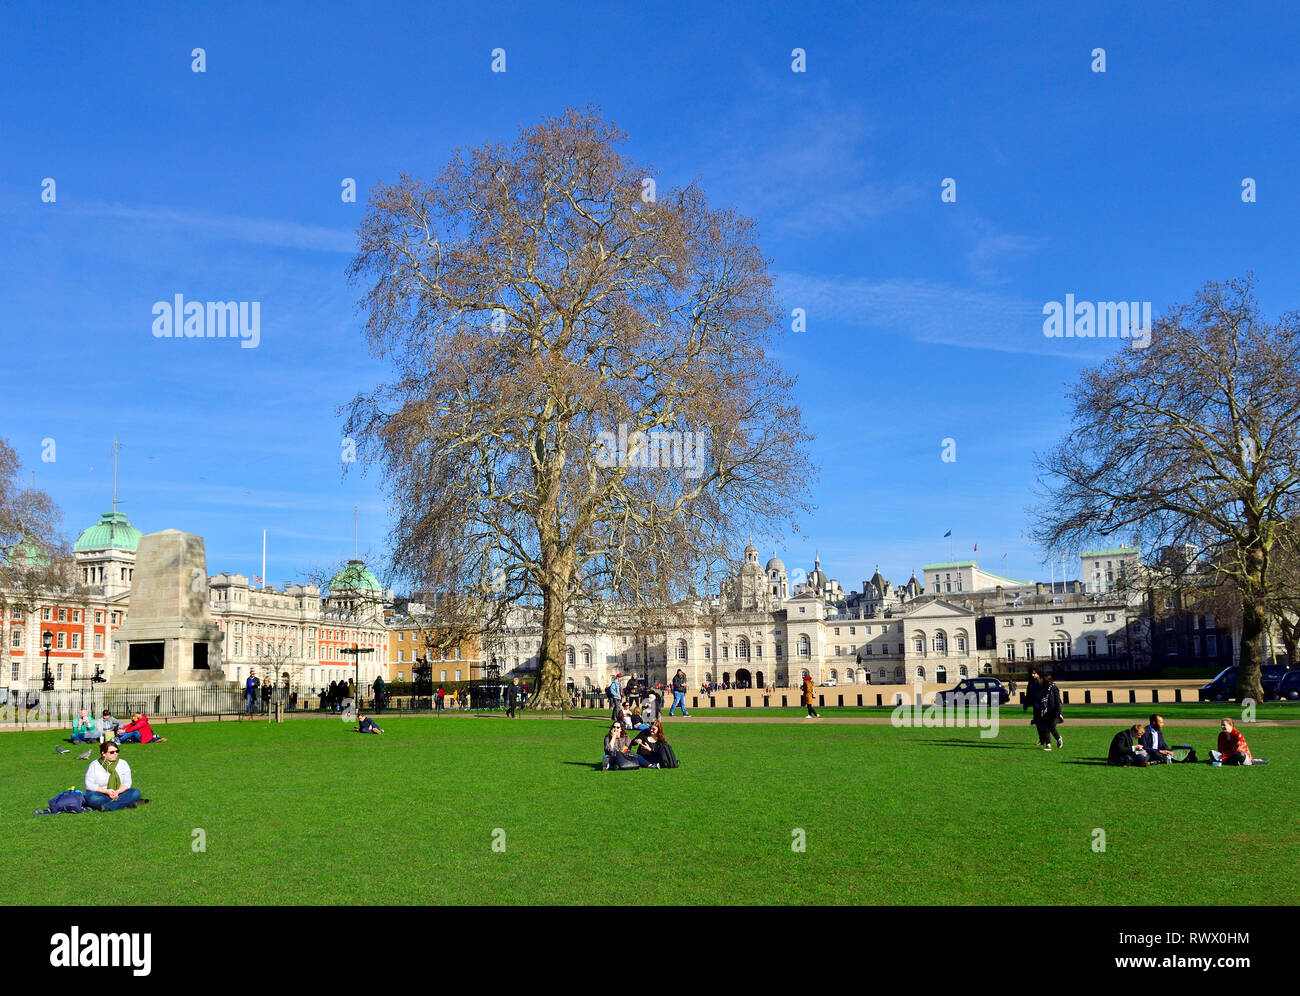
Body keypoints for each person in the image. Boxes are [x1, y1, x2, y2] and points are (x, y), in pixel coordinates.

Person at [84, 741, 145, 811]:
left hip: (119, 793)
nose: (115, 754)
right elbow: (88, 784)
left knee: (135, 792)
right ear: (103, 754)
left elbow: (127, 783)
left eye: (117, 751)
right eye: (112, 752)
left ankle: (110, 806)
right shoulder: (94, 764)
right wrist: (106, 791)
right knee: (93, 798)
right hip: (101, 794)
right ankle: (126, 803)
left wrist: (117, 792)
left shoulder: (123, 763)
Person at [1035, 674, 1063, 750]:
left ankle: (1058, 738)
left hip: (1053, 712)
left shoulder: (1054, 688)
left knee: (1051, 727)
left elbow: (1057, 702)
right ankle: (1048, 745)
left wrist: (1060, 713)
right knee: (1045, 728)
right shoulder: (1044, 688)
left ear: (1048, 681)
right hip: (1044, 711)